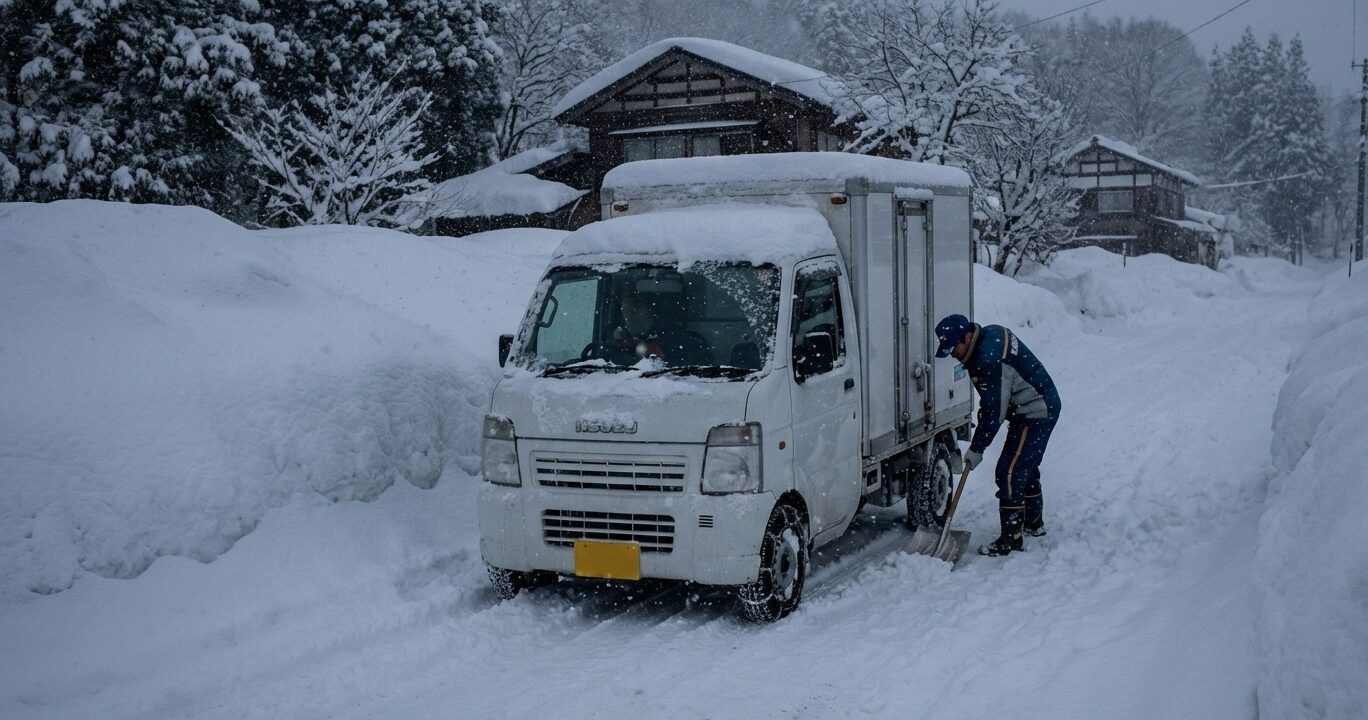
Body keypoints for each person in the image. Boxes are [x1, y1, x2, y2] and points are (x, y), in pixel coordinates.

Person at [934, 314, 1061, 556]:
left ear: (967, 336)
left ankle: (1011, 539)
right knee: (1025, 466)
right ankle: (1033, 523)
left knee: (1009, 471)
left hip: (1035, 410)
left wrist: (977, 447)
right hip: (1039, 404)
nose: (953, 354)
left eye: (954, 348)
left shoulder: (988, 360)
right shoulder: (990, 334)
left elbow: (994, 412)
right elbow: (994, 400)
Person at [611, 290, 710, 365]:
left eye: (636, 306)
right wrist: (627, 352)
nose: (631, 313)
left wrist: (662, 354)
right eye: (625, 309)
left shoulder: (679, 337)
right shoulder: (617, 339)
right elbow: (602, 365)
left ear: (649, 308)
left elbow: (700, 368)